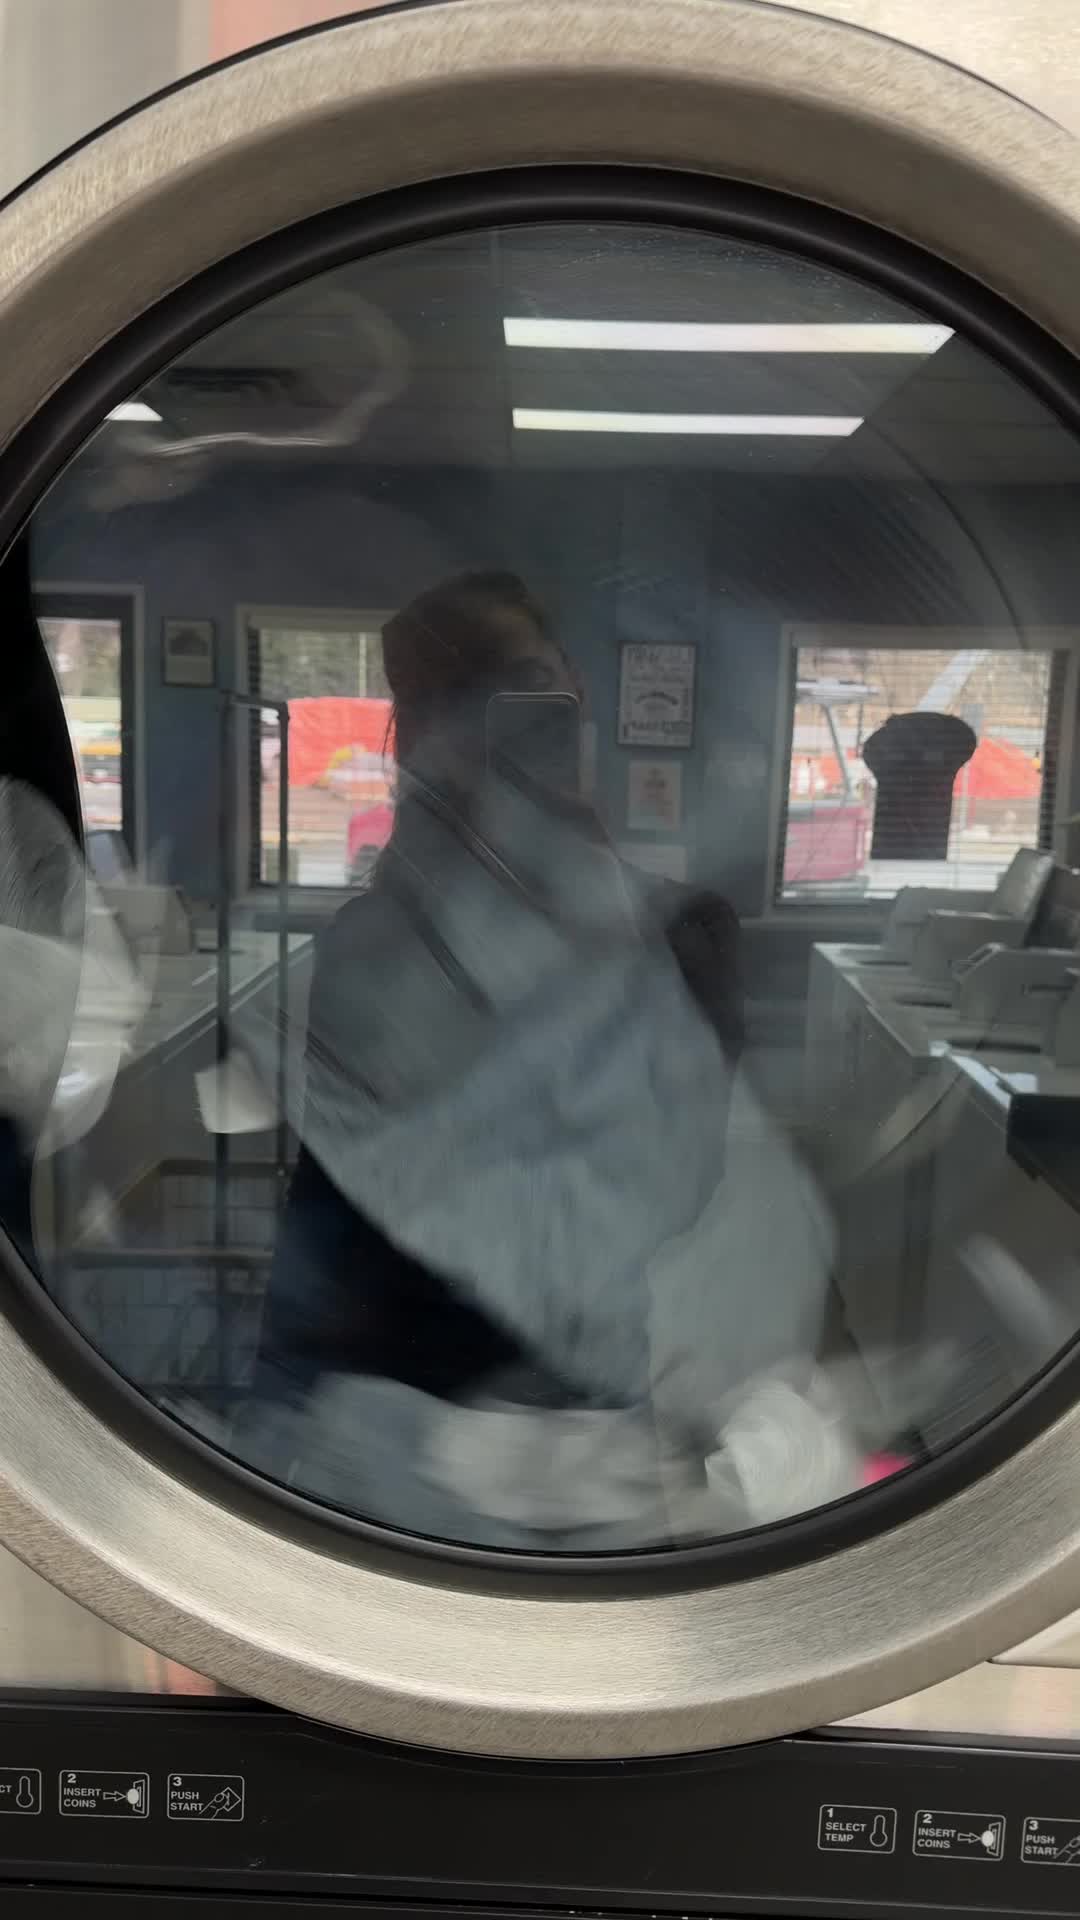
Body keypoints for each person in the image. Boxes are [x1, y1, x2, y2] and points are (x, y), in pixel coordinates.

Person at [244, 572, 835, 1545]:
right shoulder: (368, 953)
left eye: (524, 690)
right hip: (408, 1428)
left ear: (576, 701)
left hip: (610, 1423)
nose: (503, 725)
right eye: (457, 701)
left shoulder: (683, 936)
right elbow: (330, 1235)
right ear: (420, 739)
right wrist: (295, 1437)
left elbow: (703, 1200)